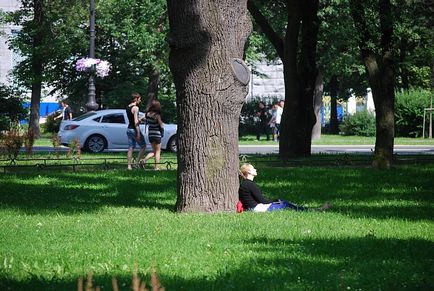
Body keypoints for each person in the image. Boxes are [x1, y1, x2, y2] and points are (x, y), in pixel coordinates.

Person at [239, 163, 331, 212]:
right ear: (249, 172)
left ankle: (311, 209)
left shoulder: (245, 184)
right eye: (253, 168)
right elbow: (262, 201)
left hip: (253, 208)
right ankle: (313, 210)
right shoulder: (250, 184)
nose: (255, 169)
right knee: (285, 204)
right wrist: (276, 200)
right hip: (257, 209)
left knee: (284, 203)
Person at [141, 99, 164, 170]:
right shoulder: (157, 115)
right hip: (157, 134)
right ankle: (156, 167)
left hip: (150, 134)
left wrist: (146, 121)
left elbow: (141, 119)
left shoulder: (147, 114)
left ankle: (144, 160)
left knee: (154, 151)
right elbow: (161, 125)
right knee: (158, 151)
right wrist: (162, 130)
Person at [126, 93, 146, 170]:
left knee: (130, 148)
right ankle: (136, 163)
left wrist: (139, 119)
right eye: (139, 99)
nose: (140, 101)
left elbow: (131, 119)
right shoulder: (136, 108)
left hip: (129, 129)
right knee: (143, 146)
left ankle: (129, 166)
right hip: (134, 129)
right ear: (136, 99)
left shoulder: (128, 107)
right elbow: (135, 121)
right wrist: (138, 133)